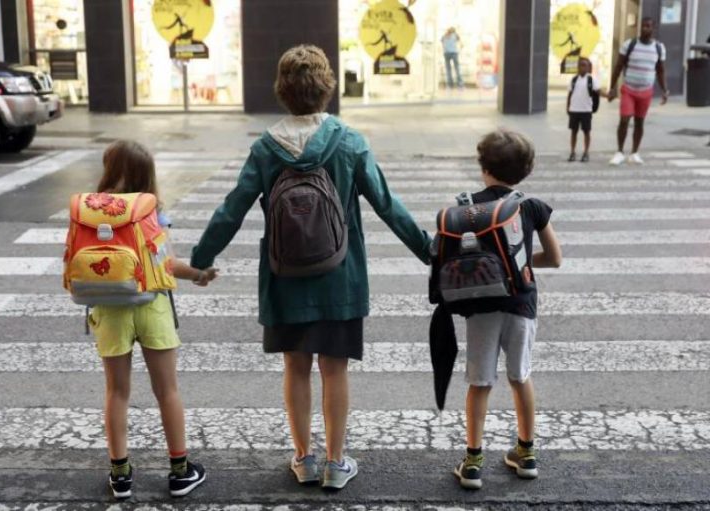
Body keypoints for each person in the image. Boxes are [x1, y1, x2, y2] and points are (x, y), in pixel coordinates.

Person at [190, 45, 431, 491]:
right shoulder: (350, 141)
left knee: (296, 367)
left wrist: (202, 258)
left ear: (282, 91)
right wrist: (430, 252)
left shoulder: (266, 149)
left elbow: (232, 209)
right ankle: (337, 463)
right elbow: (387, 205)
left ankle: (303, 458)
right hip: (341, 277)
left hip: (285, 279)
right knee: (334, 369)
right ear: (327, 88)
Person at [89, 140, 217, 499]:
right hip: (151, 305)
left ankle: (121, 475)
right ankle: (179, 471)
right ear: (148, 175)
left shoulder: (91, 209)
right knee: (167, 390)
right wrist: (198, 274)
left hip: (109, 309)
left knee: (116, 391)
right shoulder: (150, 210)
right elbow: (166, 264)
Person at [452, 130, 562, 490]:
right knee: (520, 376)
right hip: (521, 303)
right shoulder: (532, 207)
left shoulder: (468, 207)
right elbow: (555, 258)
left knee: (480, 383)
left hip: (483, 304)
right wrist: (523, 263)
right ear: (525, 172)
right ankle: (526, 454)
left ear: (483, 167)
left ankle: (472, 463)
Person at [607, 17, 668, 165]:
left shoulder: (659, 48)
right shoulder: (630, 45)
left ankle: (634, 153)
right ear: (640, 28)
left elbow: (660, 71)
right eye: (643, 26)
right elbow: (618, 66)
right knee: (624, 120)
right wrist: (612, 87)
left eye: (649, 26)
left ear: (653, 29)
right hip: (629, 90)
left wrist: (665, 90)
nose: (646, 29)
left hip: (646, 92)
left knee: (639, 122)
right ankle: (619, 152)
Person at [567, 57, 600, 162]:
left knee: (586, 132)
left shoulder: (591, 79)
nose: (583, 67)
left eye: (585, 65)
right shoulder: (574, 79)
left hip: (586, 110)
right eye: (581, 65)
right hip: (574, 110)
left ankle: (586, 152)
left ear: (588, 67)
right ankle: (572, 152)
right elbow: (570, 94)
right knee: (573, 132)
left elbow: (598, 91)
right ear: (578, 67)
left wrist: (608, 95)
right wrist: (568, 107)